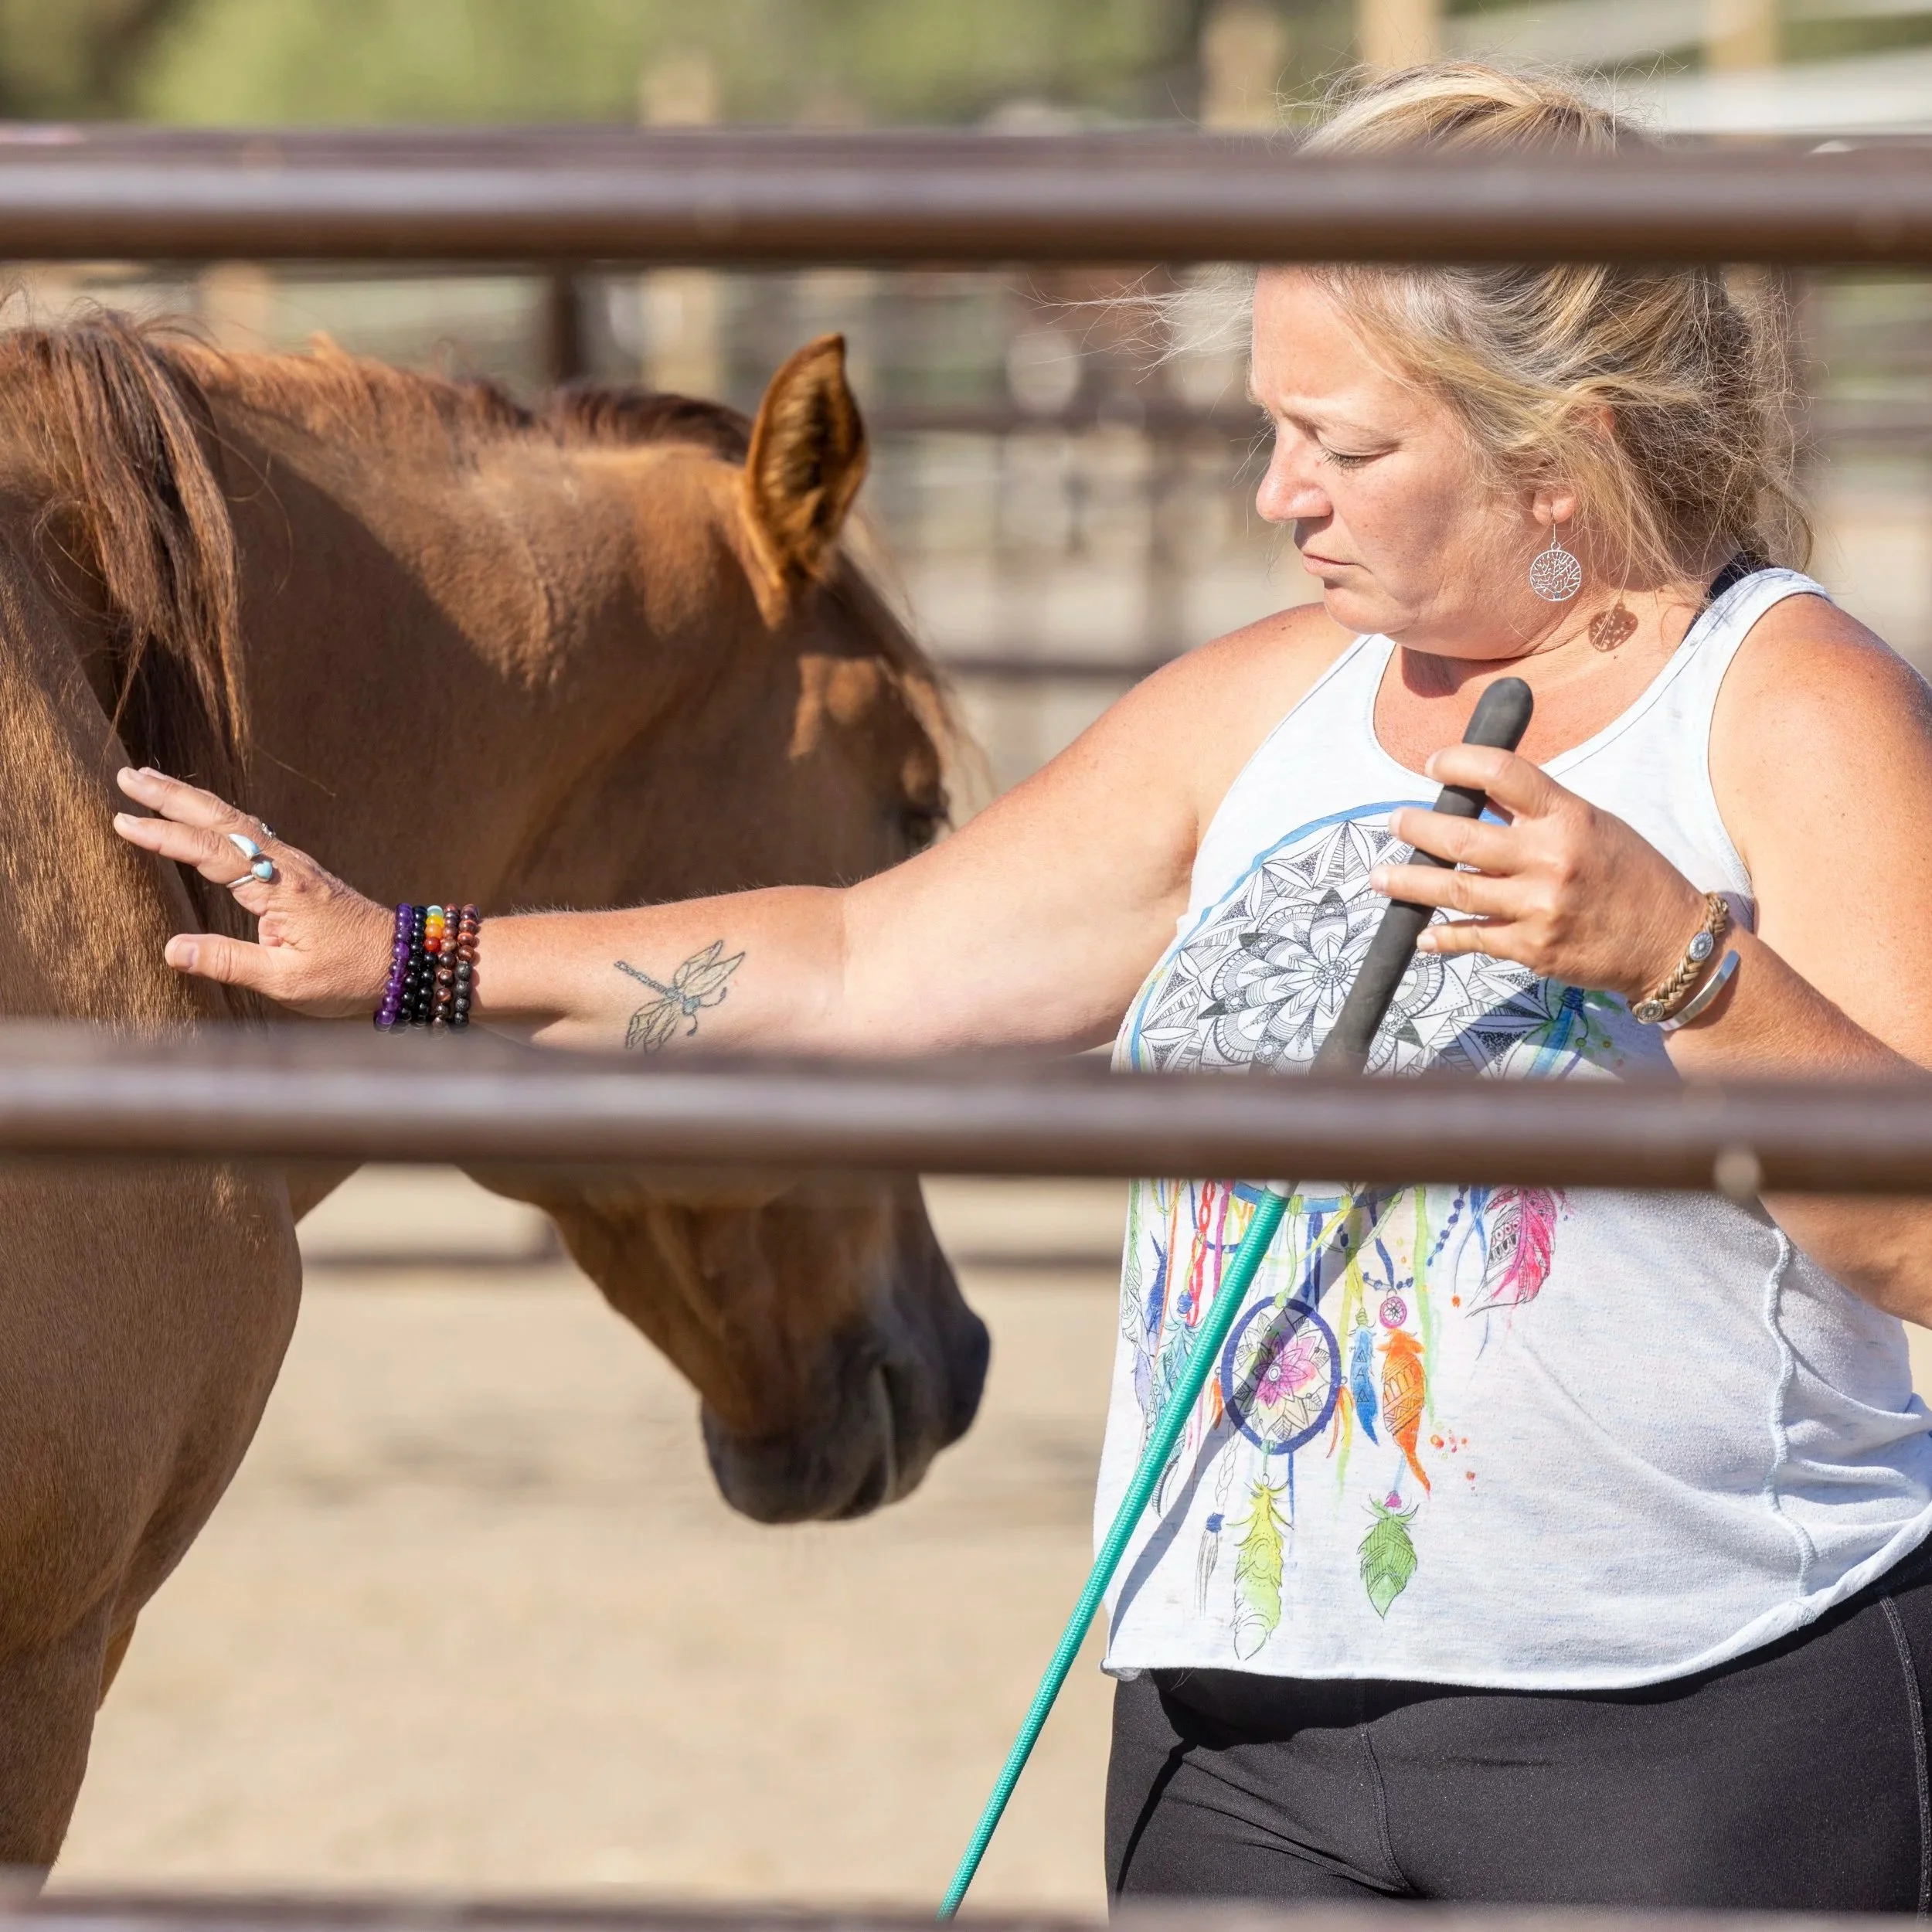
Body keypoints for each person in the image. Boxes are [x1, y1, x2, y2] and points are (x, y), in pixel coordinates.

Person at [112, 63, 1932, 1912]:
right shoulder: (1262, 706)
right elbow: (851, 963)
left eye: (1344, 447)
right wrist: (409, 955)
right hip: (1238, 1743)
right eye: (1266, 427)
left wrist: (1681, 962)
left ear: (1562, 444)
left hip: (1684, 1729)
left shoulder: (1782, 704)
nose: (1273, 494)